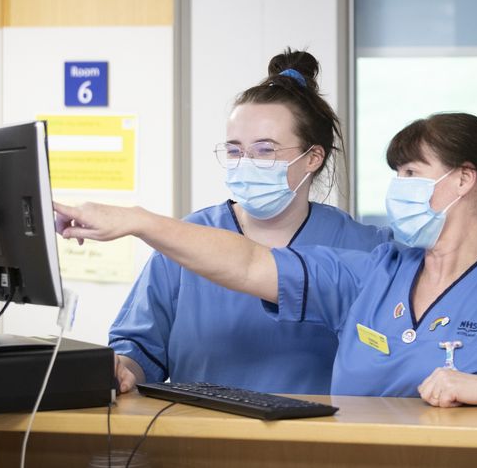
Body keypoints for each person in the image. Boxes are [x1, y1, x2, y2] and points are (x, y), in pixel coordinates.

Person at [58, 112, 477, 408]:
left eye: (411, 174)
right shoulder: (371, 271)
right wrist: (139, 220)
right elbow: (246, 264)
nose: (398, 188)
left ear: (464, 181)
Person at [108, 49, 392, 395]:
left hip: (317, 440)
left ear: (313, 158)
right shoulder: (187, 241)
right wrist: (122, 369)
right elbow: (138, 350)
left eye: (265, 150)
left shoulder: (362, 246)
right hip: (196, 435)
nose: (245, 163)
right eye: (234, 150)